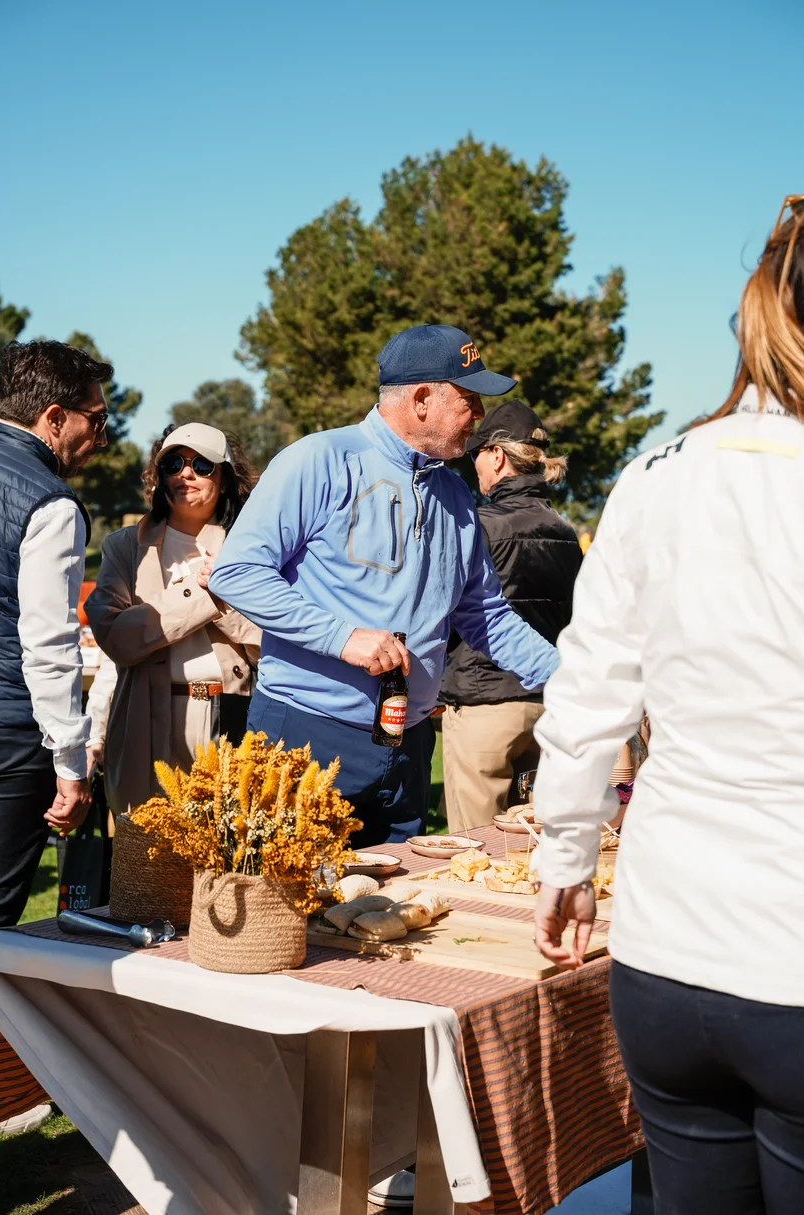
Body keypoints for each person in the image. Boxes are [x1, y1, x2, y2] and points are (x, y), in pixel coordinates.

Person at [532, 195, 804, 1214]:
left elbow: (590, 688)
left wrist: (563, 860)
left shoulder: (656, 475)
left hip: (670, 948)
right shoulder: (665, 472)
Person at [210, 324, 560, 848]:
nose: (481, 418)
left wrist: (570, 679)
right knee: (288, 920)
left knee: (394, 915)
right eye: (470, 399)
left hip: (409, 745)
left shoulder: (457, 496)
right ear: (422, 399)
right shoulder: (319, 460)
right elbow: (236, 572)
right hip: (307, 733)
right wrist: (342, 638)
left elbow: (485, 616)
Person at [85, 423, 260, 816]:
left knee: (225, 860)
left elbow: (275, 638)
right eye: (173, 463)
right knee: (150, 861)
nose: (186, 473)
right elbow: (115, 637)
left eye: (202, 464)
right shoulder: (124, 547)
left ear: (225, 477)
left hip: (229, 714)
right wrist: (202, 593)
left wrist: (229, 597)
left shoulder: (251, 547)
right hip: (146, 718)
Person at [0, 340, 110, 929]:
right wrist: (70, 763)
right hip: (8, 736)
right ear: (54, 417)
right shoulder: (51, 503)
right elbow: (49, 643)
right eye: (98, 419)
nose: (103, 438)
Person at [439, 400, 582, 830]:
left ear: (497, 456)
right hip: (548, 704)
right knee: (534, 847)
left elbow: (449, 613)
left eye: (476, 454)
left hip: (484, 703)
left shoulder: (476, 525)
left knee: (474, 851)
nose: (473, 467)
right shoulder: (566, 531)